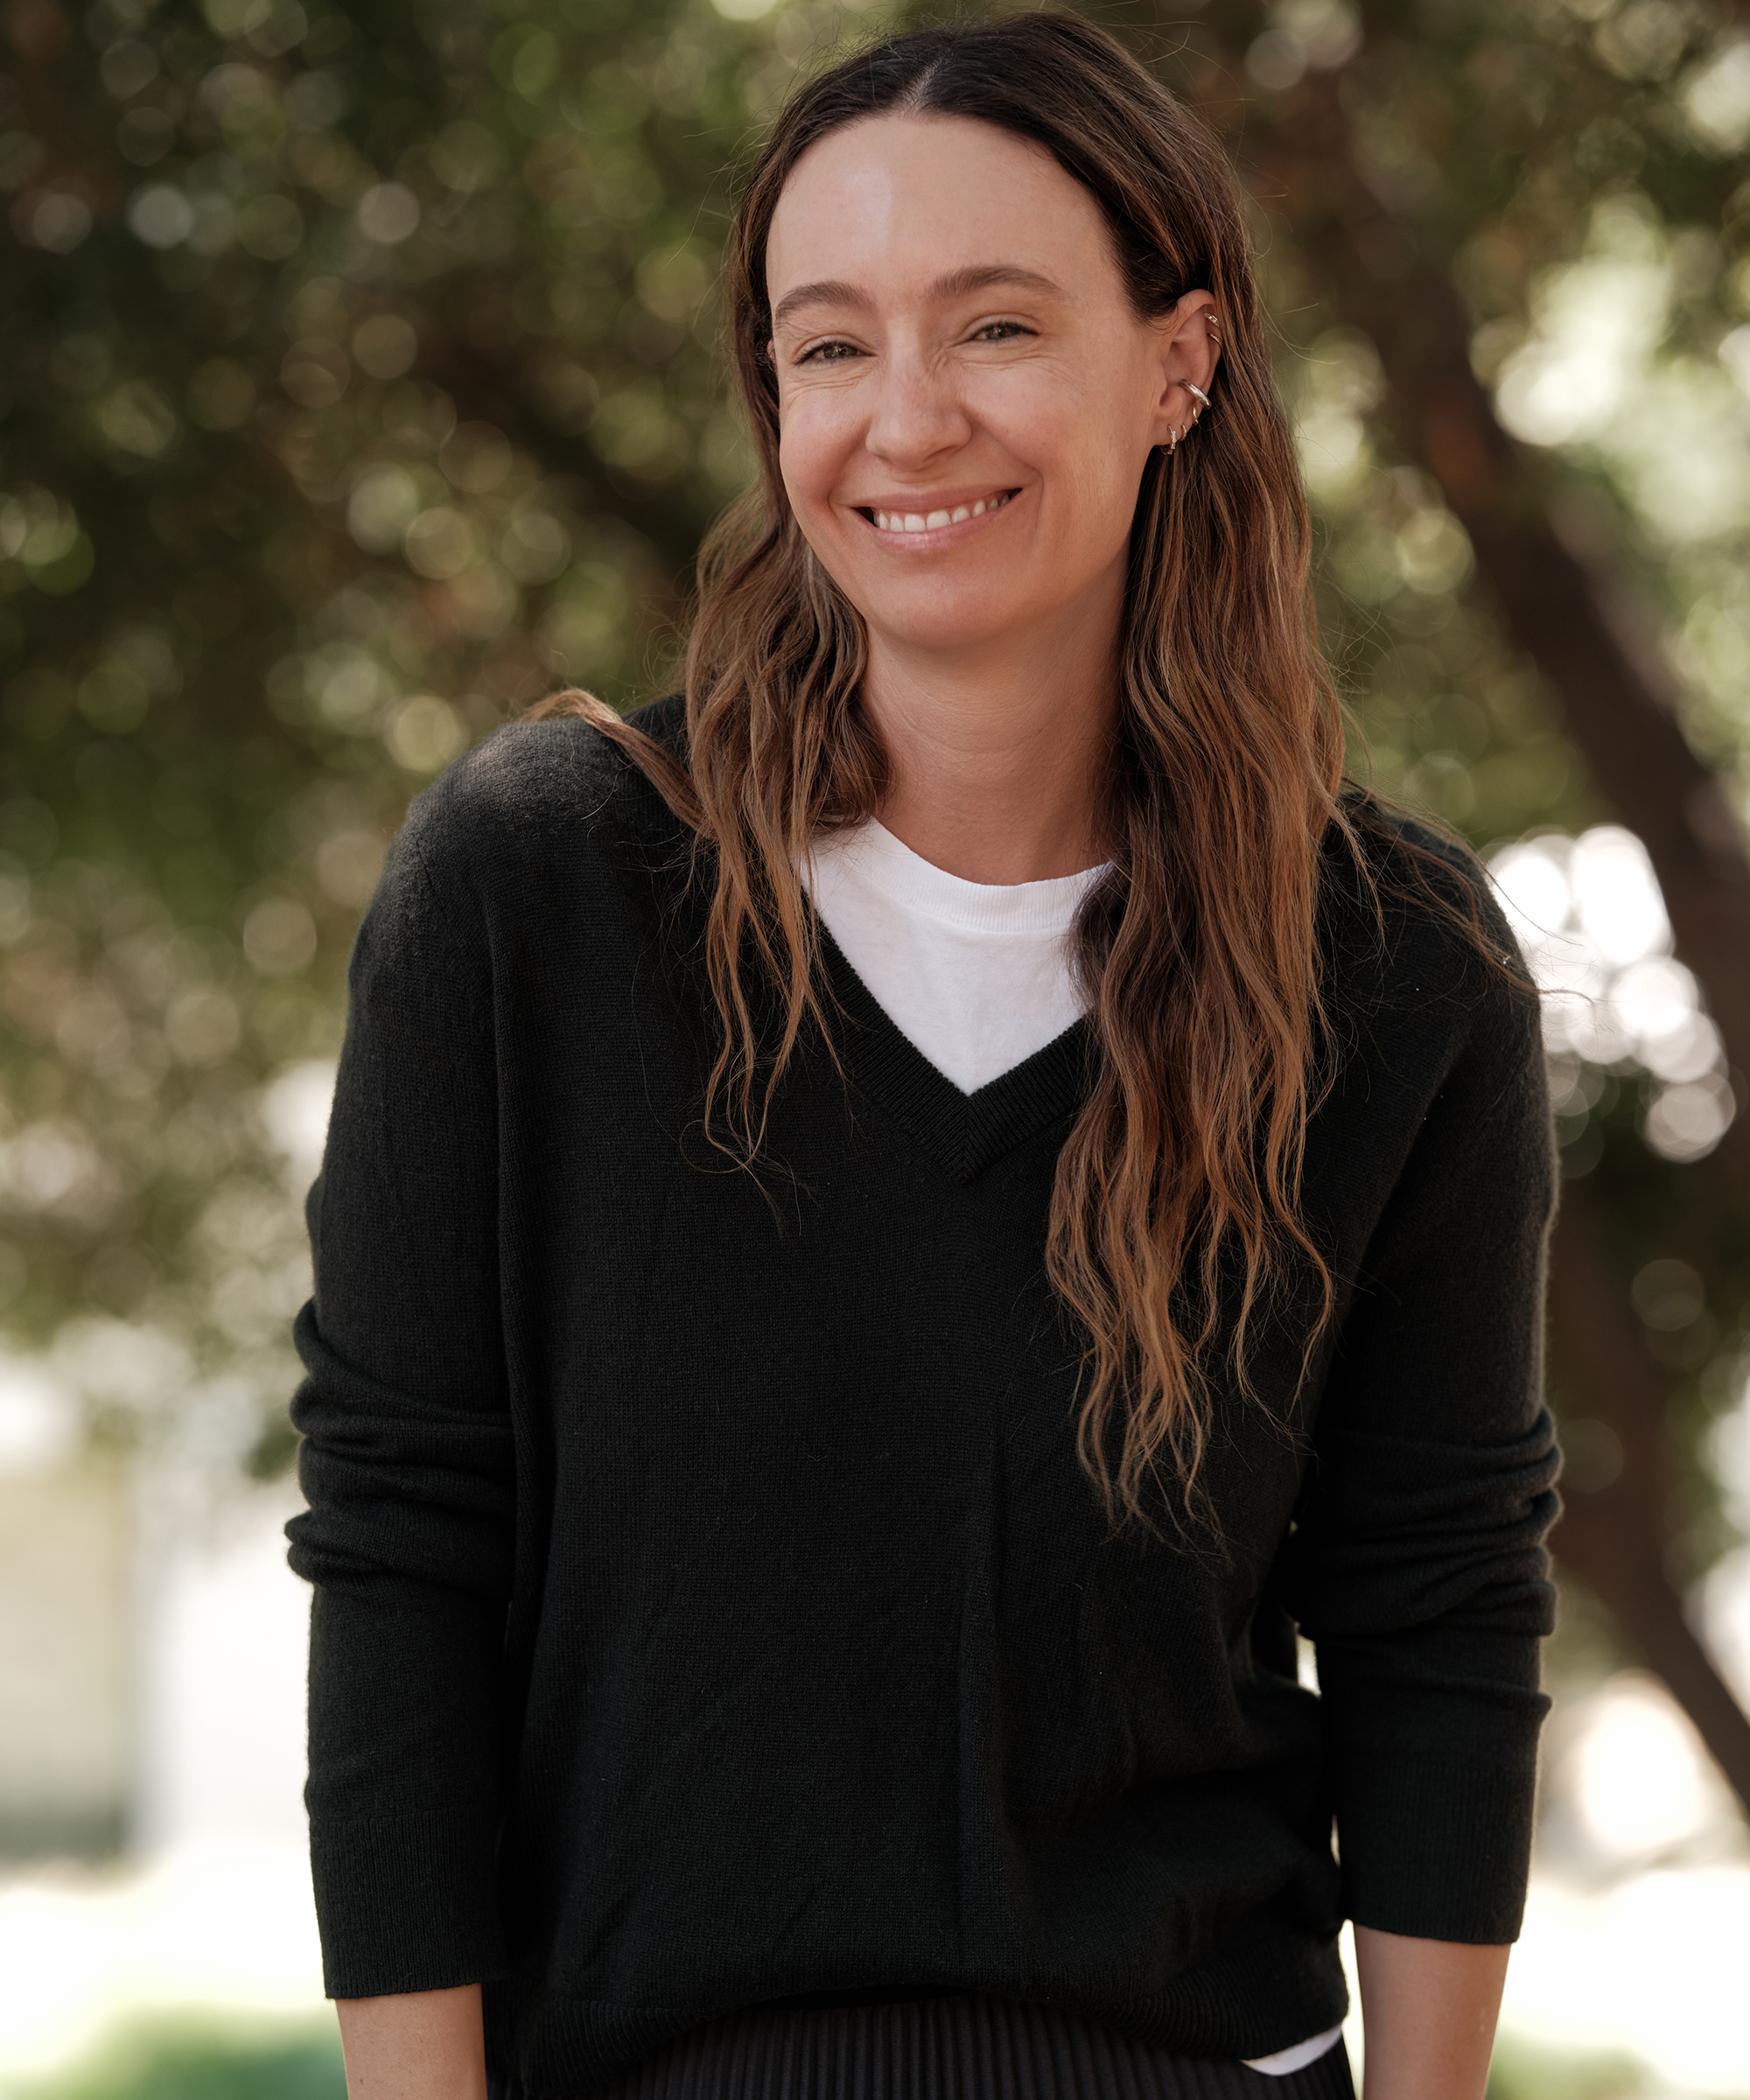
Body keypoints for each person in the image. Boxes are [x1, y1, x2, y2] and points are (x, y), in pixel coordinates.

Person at [286, 17, 1560, 2100]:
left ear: (1180, 364)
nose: (905, 419)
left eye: (995, 326)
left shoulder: (1395, 972)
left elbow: (1437, 1611)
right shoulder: (538, 888)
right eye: (829, 346)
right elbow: (402, 1557)